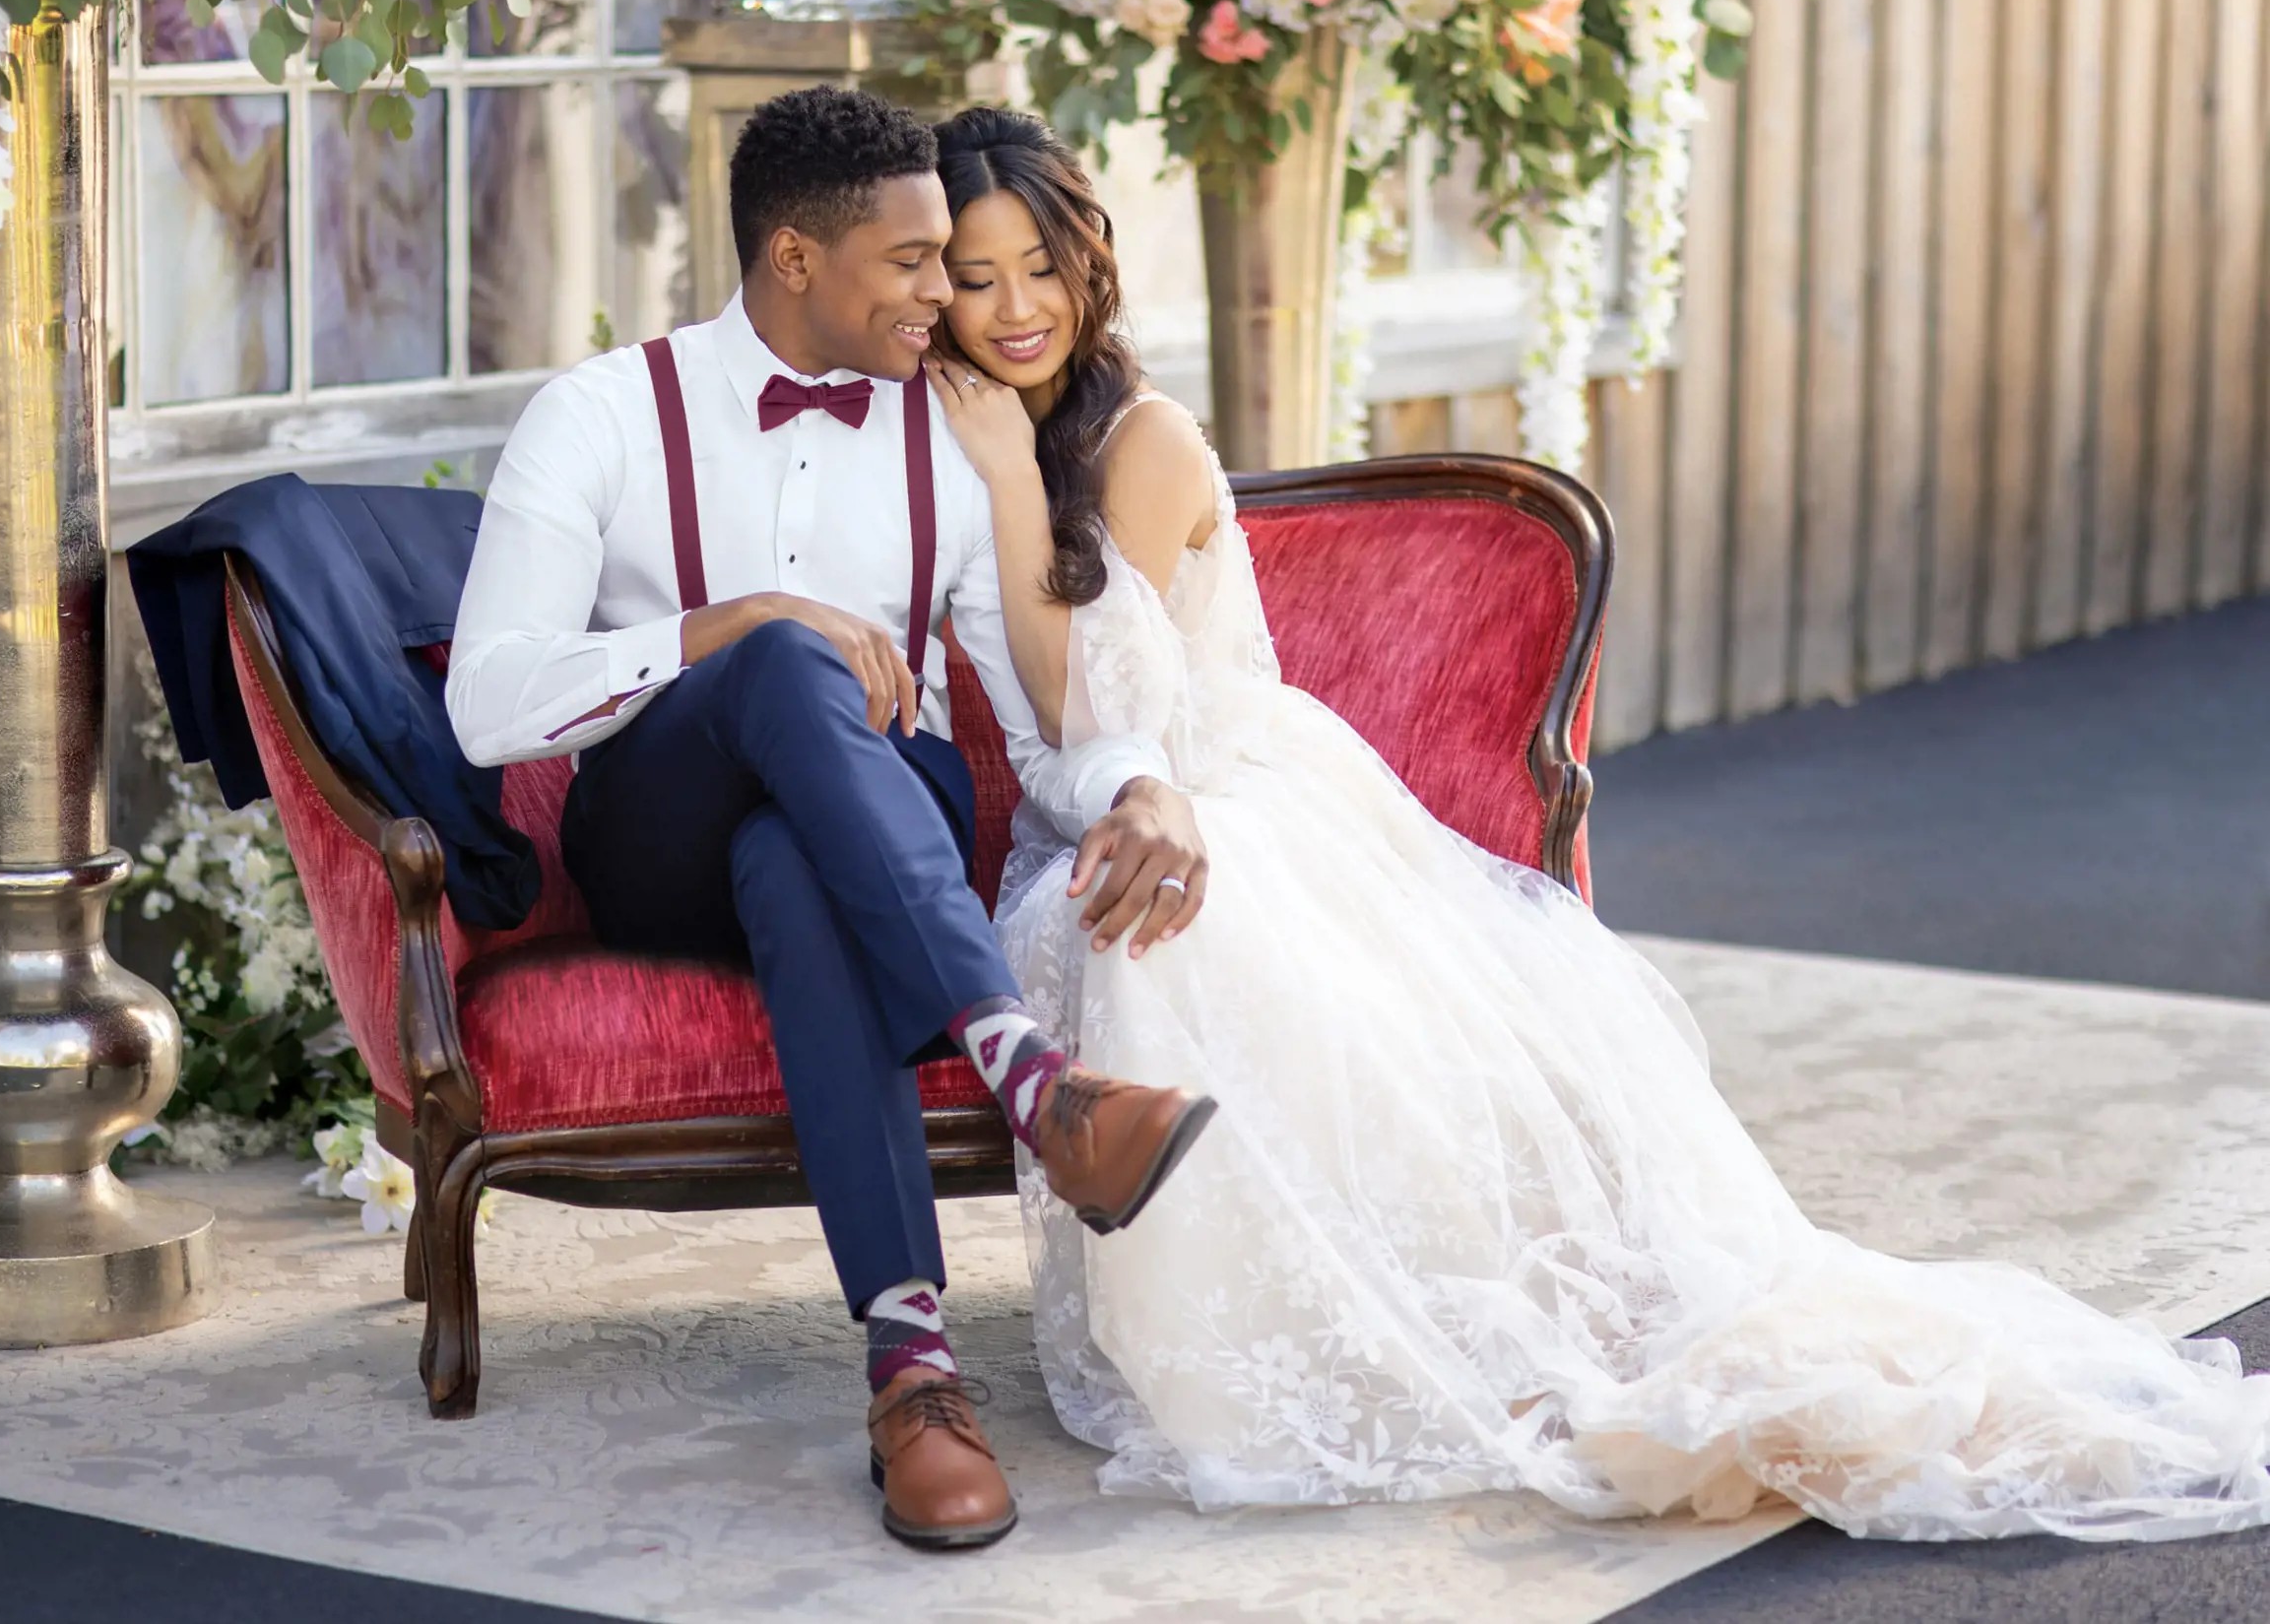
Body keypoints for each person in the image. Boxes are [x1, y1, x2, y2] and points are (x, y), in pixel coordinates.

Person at [922, 103, 2270, 1538]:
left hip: (1210, 787)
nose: (1016, 309)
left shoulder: (1140, 439)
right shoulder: (957, 427)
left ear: (1091, 262)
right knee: (1087, 914)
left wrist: (1010, 486)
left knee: (1159, 933)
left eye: (1041, 268)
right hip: (1095, 812)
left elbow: (1095, 718)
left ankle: (1360, 1322)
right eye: (978, 276)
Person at [444, 86, 1220, 1553]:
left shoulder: (956, 439)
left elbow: (1034, 714)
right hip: (650, 835)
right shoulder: (604, 413)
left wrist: (1138, 780)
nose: (950, 294)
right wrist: (722, 625)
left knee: (794, 858)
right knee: (786, 656)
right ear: (795, 259)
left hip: (878, 820)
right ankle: (1031, 1079)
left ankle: (913, 1372)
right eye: (917, 261)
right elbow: (489, 704)